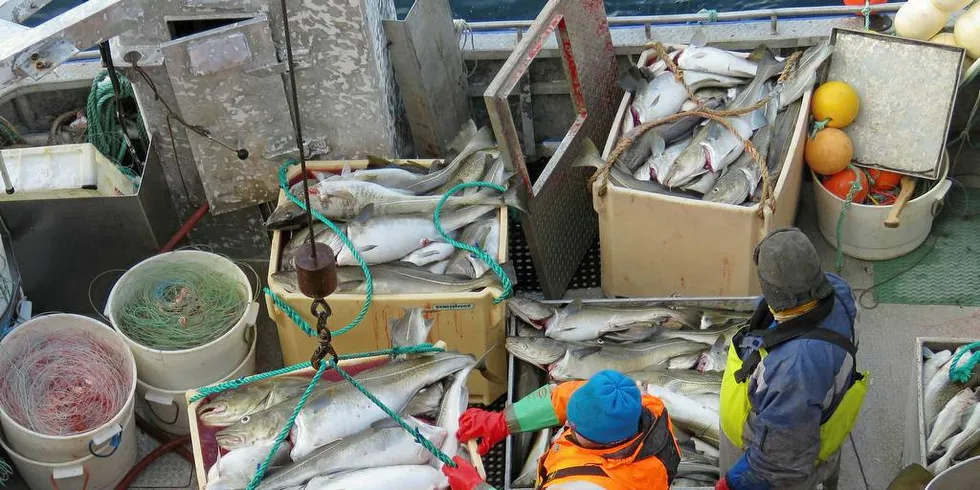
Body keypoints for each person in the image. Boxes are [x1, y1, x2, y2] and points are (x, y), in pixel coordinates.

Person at [716, 228, 869, 490]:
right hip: (814, 419)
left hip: (769, 453)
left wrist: (733, 483)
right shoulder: (837, 289)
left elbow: (780, 467)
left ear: (775, 296)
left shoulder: (794, 371)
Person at [441, 369, 681, 489]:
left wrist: (476, 487)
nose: (568, 426)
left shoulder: (589, 485)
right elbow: (563, 397)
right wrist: (502, 422)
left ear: (605, 443)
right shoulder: (643, 406)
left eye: (575, 428)